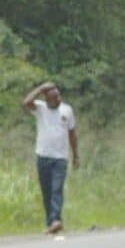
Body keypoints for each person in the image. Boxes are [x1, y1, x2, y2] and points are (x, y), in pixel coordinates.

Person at [22, 82, 79, 234]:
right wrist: (41, 88)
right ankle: (51, 223)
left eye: (58, 96)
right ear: (47, 99)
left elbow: (72, 134)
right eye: (53, 98)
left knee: (56, 189)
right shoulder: (40, 108)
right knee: (46, 190)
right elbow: (26, 102)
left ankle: (56, 220)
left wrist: (75, 155)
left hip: (60, 158)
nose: (58, 99)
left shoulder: (67, 110)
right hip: (43, 156)